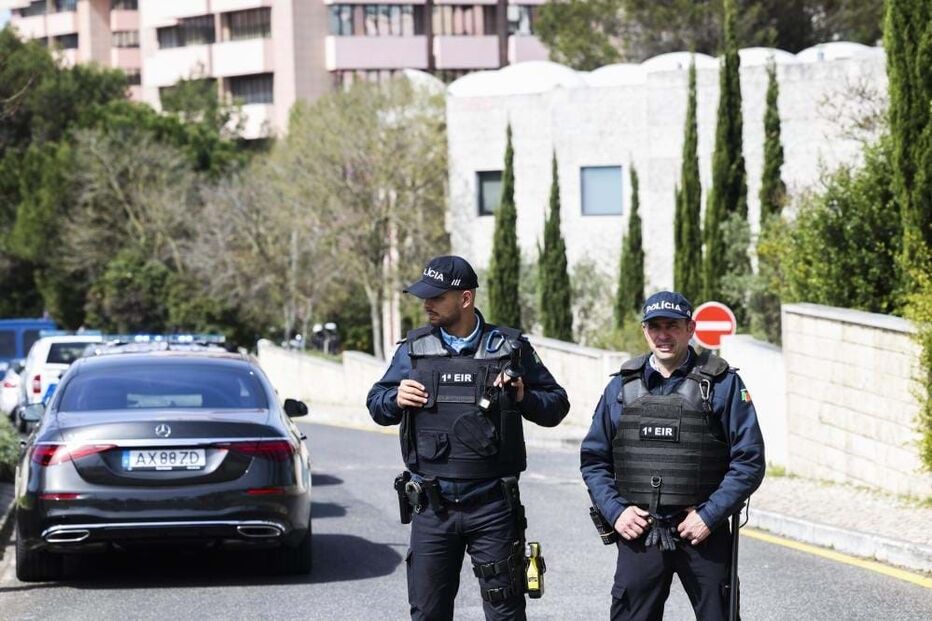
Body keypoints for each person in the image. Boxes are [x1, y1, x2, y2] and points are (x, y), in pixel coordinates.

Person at [367, 255, 570, 621]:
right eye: (424, 297)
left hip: (493, 507)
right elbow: (376, 404)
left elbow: (557, 406)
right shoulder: (413, 350)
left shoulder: (510, 348)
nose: (426, 304)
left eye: (436, 297)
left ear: (465, 299)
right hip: (431, 507)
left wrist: (524, 395)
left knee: (505, 613)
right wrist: (394, 399)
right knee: (428, 613)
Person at [581, 291, 765, 621]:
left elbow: (749, 460)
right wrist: (616, 512)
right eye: (655, 327)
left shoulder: (722, 384)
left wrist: (709, 516)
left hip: (702, 531)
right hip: (640, 531)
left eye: (672, 326)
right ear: (644, 330)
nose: (663, 335)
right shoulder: (620, 388)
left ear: (690, 328)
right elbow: (594, 459)